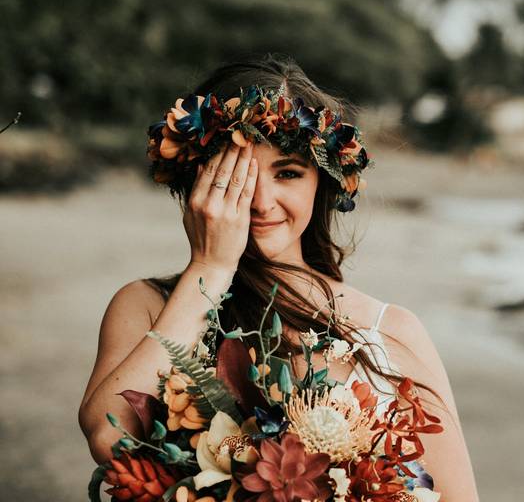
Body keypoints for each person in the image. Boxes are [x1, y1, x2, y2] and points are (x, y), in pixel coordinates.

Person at [78, 56, 479, 501]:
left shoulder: (393, 329)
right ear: (196, 181)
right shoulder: (148, 304)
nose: (261, 202)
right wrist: (209, 270)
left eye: (287, 173)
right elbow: (109, 439)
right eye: (236, 175)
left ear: (321, 184)